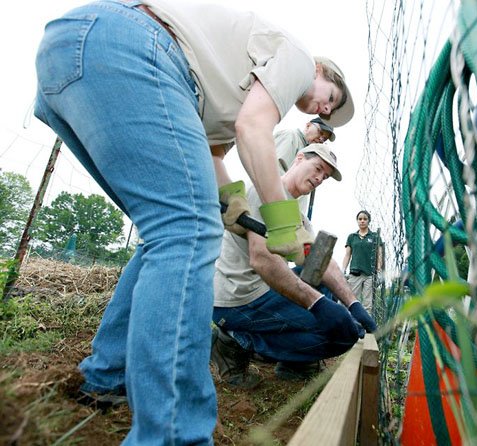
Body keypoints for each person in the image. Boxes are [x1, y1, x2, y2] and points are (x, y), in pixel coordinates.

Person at [32, 1, 353, 444]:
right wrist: (281, 222)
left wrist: (231, 205)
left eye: (329, 111)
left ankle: (106, 376)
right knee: (187, 231)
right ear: (320, 71)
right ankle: (174, 434)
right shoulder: (296, 59)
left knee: (166, 233)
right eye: (330, 98)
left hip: (74, 56)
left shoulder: (226, 88)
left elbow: (214, 152)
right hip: (134, 46)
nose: (322, 108)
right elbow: (252, 130)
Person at [211, 144, 376, 387]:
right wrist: (317, 304)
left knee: (321, 281)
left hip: (262, 291)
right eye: (318, 168)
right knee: (339, 336)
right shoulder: (264, 190)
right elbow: (262, 259)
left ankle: (292, 362)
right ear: (299, 158)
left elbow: (321, 261)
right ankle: (237, 340)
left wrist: (353, 304)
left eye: (325, 176)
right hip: (238, 299)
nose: (320, 178)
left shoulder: (298, 216)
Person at [274, 117, 336, 216]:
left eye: (325, 139)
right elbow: (273, 171)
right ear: (308, 125)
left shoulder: (311, 153)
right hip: (275, 207)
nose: (321, 139)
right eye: (320, 132)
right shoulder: (291, 136)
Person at [342, 210, 384, 312]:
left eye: (365, 219)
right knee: (350, 300)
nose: (362, 221)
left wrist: (378, 270)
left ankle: (365, 327)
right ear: (357, 221)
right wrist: (343, 269)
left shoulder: (374, 236)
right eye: (360, 219)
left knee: (367, 304)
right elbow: (347, 255)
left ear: (369, 221)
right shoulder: (352, 237)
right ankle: (349, 324)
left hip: (369, 274)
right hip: (355, 273)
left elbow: (379, 254)